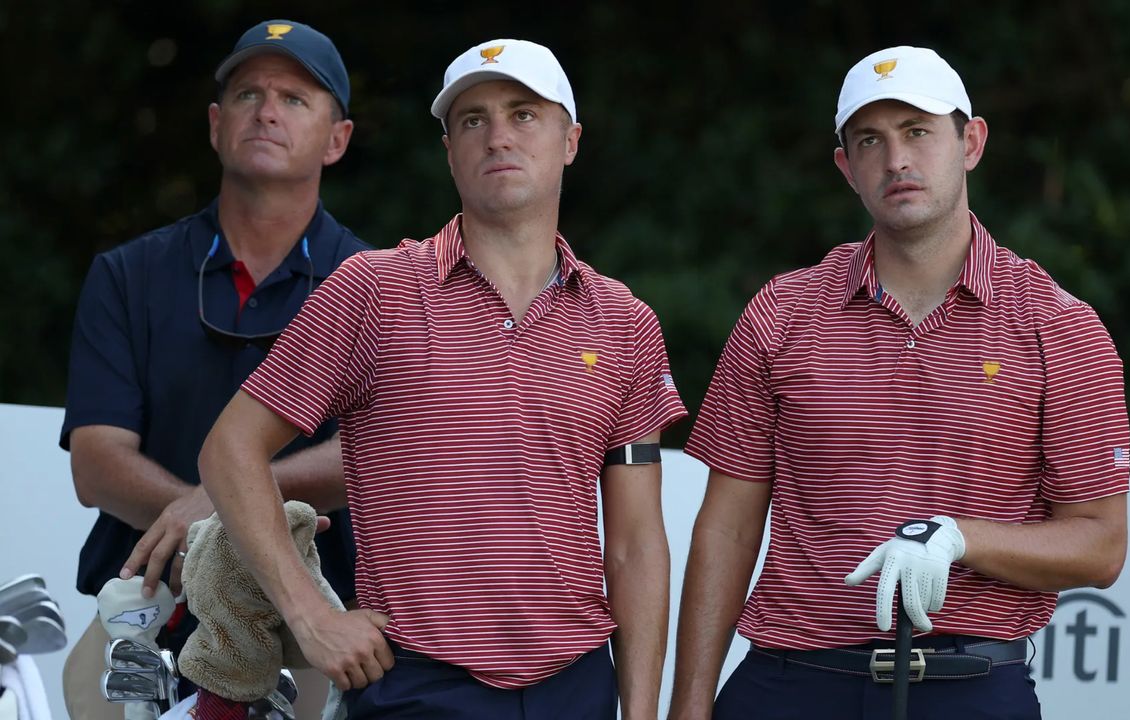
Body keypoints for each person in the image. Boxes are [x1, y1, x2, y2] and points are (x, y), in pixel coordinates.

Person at [195, 38, 687, 720]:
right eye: (472, 120)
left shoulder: (625, 322)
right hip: (418, 684)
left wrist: (638, 712)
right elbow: (230, 448)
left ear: (570, 140)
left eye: (524, 114)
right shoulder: (374, 289)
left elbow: (635, 544)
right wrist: (310, 616)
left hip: (576, 685)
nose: (497, 137)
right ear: (449, 149)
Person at [669, 46, 1130, 720]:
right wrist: (689, 707)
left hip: (969, 684)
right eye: (870, 141)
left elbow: (1101, 542)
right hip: (792, 681)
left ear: (970, 142)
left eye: (917, 131)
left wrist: (960, 538)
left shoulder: (1057, 326)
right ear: (845, 168)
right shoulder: (782, 312)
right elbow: (728, 529)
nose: (896, 160)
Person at [59, 19, 366, 720]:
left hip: (314, 619)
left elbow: (377, 453)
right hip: (145, 613)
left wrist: (224, 503)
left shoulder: (381, 284)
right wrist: (220, 523)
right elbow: (97, 462)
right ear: (215, 123)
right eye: (248, 93)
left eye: (294, 98)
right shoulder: (127, 274)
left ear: (337, 138)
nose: (266, 110)